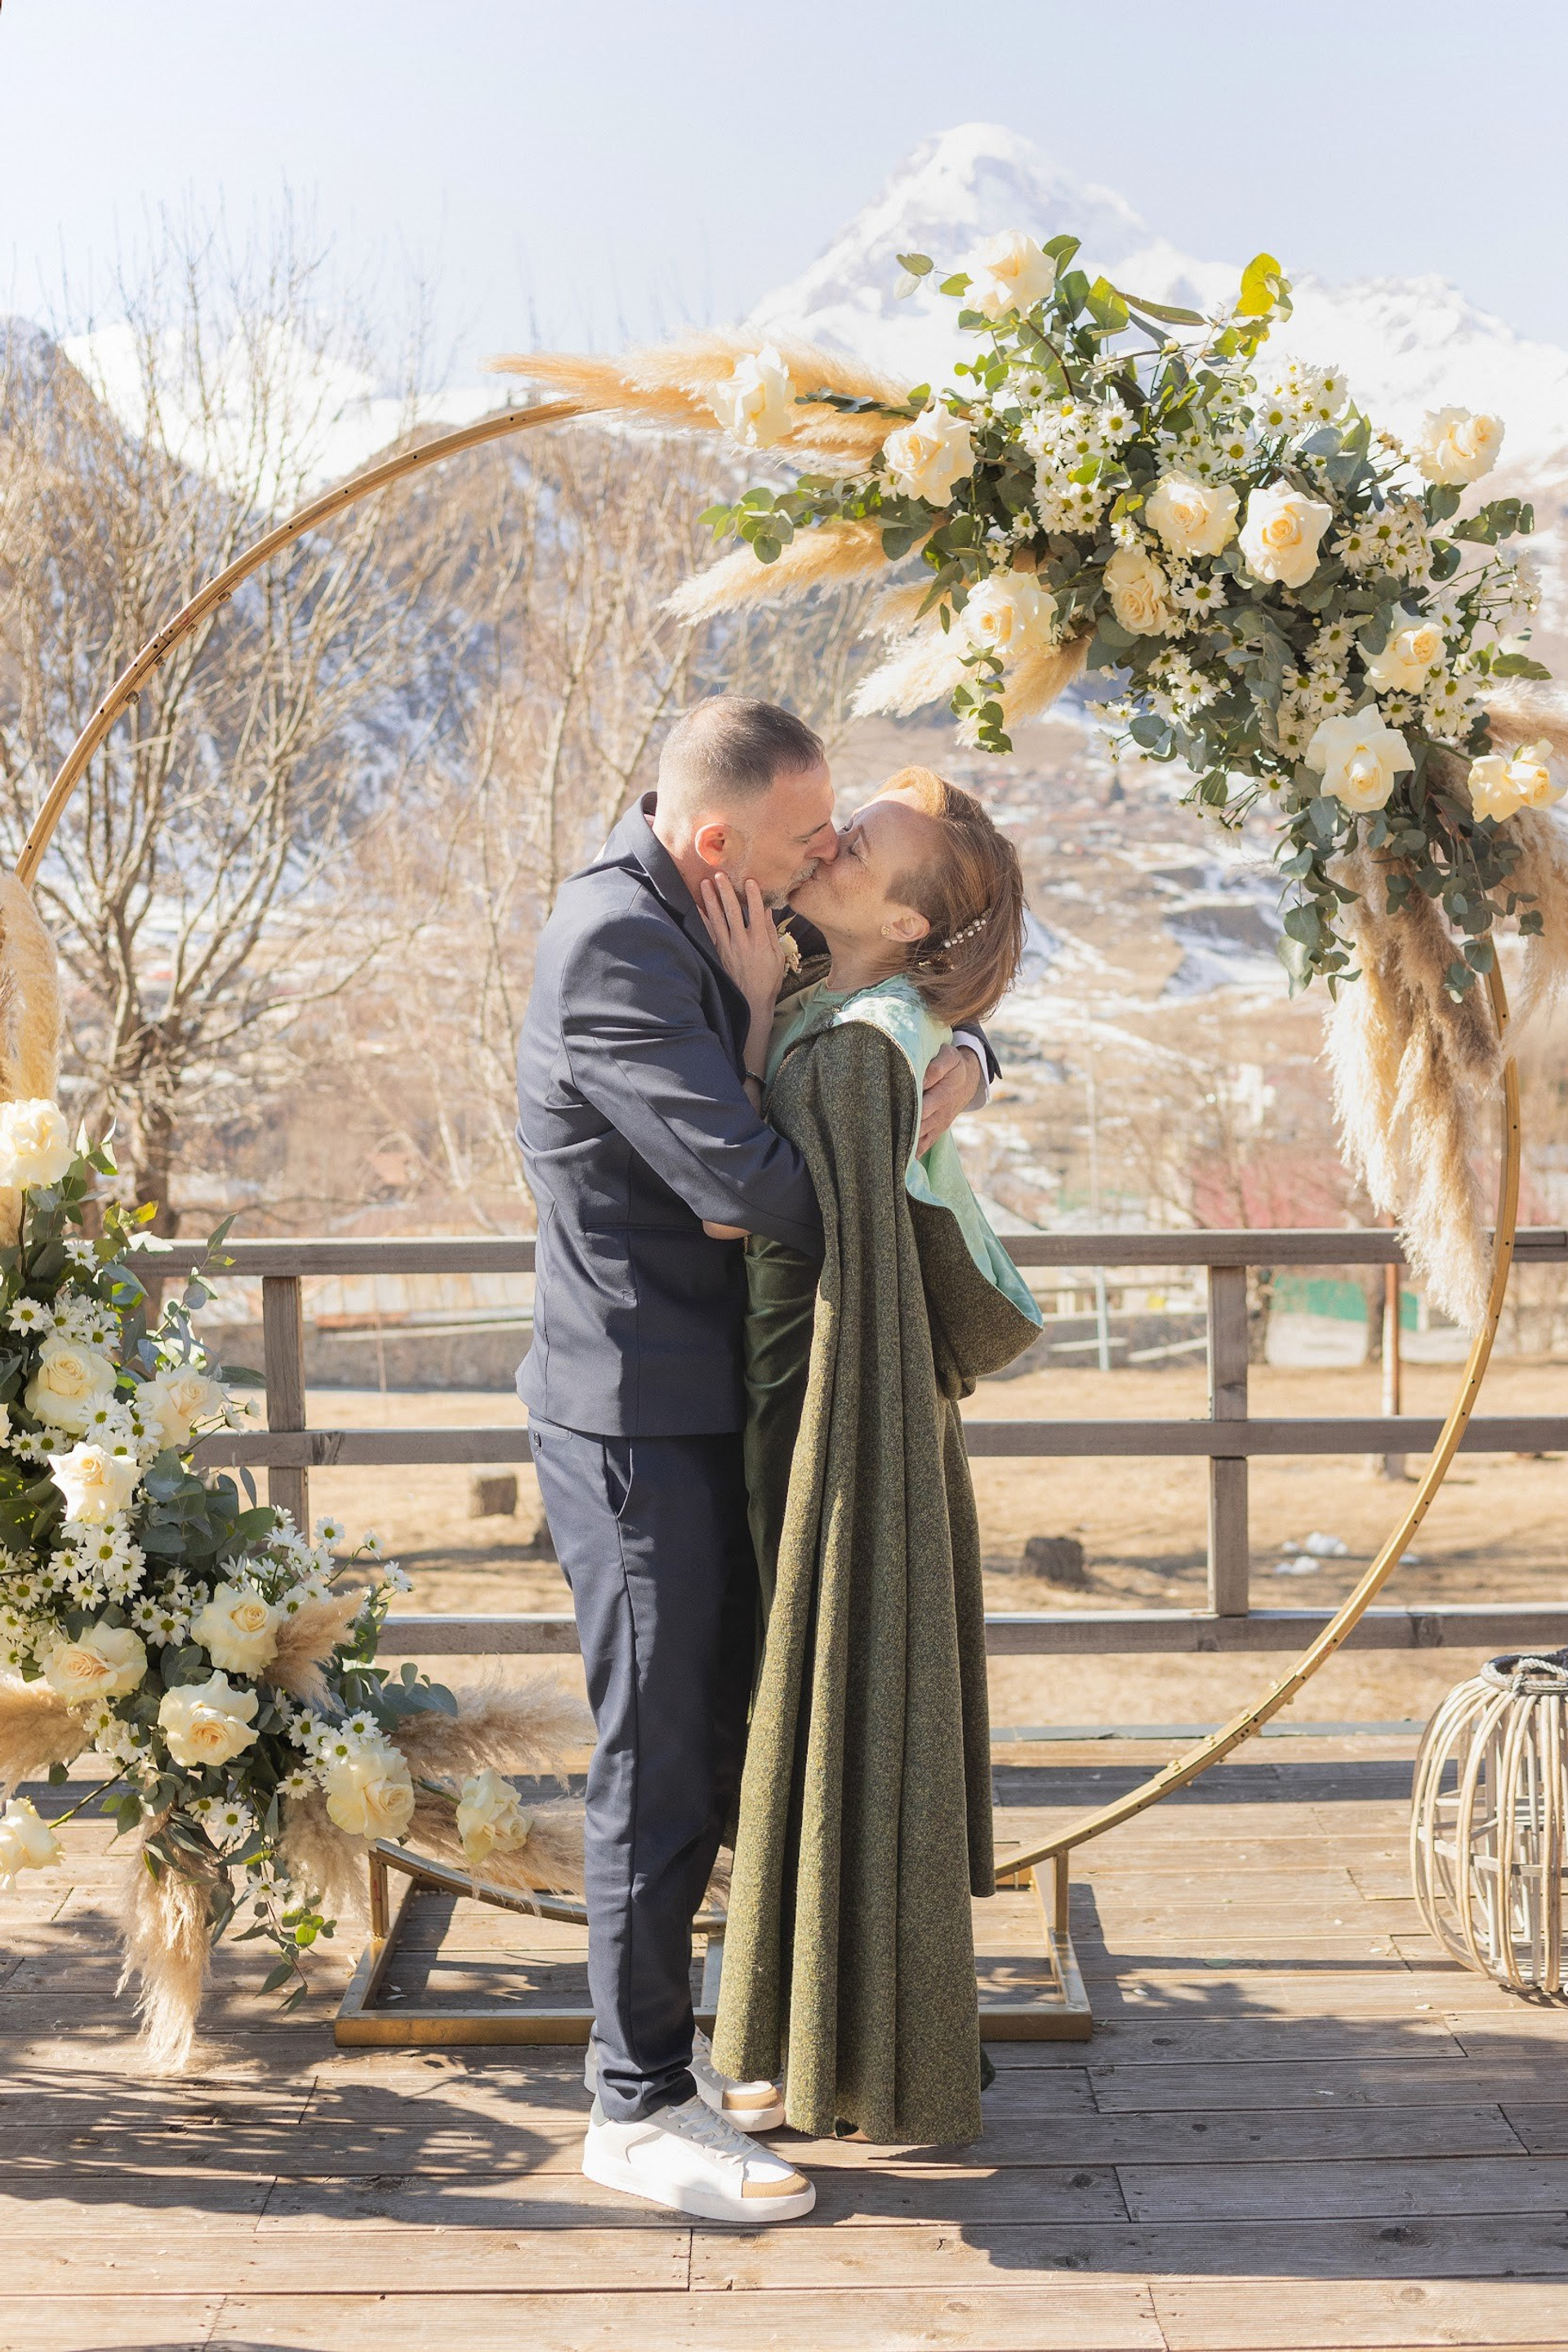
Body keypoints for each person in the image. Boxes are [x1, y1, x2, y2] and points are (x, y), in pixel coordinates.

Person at [514, 701, 988, 2222]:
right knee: (655, 1758)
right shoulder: (623, 946)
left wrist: (965, 1050)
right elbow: (766, 1186)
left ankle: (704, 2053)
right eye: (807, 841)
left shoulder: (721, 903)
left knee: (727, 1742)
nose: (825, 857)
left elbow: (902, 991)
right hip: (639, 1419)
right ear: (722, 840)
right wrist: (837, 1095)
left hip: (734, 1403)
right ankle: (634, 2105)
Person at [697, 766, 1042, 2146]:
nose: (829, 849)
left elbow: (750, 1206)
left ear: (905, 926)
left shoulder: (856, 1039)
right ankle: (817, 2022)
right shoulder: (832, 991)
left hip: (818, 1397)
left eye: (860, 852)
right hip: (796, 1387)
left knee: (809, 1699)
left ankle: (820, 2035)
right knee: (797, 1705)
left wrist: (759, 1025)